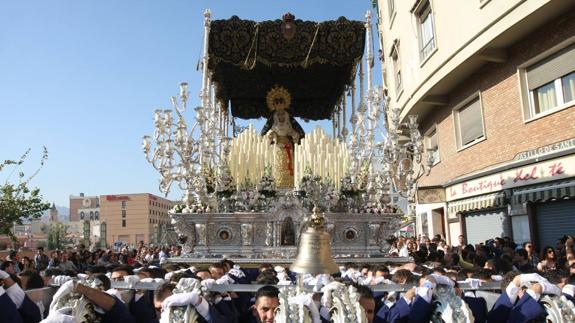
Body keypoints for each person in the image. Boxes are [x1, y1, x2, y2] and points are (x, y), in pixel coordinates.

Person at [260, 86, 304, 188]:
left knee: (289, 165)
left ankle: (290, 184)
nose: (279, 105)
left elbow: (299, 131)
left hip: (288, 145)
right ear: (274, 105)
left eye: (281, 103)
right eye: (277, 103)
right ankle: (276, 184)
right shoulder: (272, 118)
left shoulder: (290, 118)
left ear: (285, 104)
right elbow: (264, 132)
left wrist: (294, 134)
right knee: (278, 164)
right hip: (277, 146)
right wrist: (270, 134)